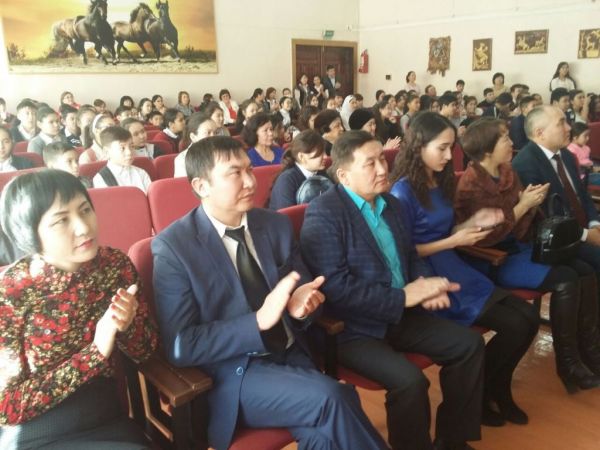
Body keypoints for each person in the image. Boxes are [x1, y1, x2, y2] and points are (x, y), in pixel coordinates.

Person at [151, 136, 387, 450]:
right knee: (334, 397)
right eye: (235, 173)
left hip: (292, 354)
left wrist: (301, 309)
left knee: (323, 436)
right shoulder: (174, 248)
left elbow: (305, 296)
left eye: (249, 169)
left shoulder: (275, 225)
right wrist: (258, 321)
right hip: (238, 372)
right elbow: (182, 345)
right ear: (201, 185)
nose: (251, 181)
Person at [300, 130, 485, 450]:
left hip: (400, 314)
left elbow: (411, 256)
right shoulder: (324, 213)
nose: (383, 169)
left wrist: (425, 285)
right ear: (343, 175)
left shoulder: (392, 205)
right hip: (352, 329)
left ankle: (451, 440)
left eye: (382, 160)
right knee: (410, 382)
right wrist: (402, 297)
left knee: (469, 344)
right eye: (370, 164)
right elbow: (336, 287)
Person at [389, 112, 538, 425]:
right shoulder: (402, 191)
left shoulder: (438, 180)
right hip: (429, 274)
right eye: (441, 148)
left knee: (528, 319)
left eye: (450, 148)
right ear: (418, 147)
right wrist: (453, 240)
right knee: (514, 325)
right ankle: (483, 395)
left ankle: (496, 390)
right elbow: (404, 251)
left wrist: (471, 223)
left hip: (454, 266)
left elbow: (446, 230)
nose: (449, 156)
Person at [0, 169, 157, 448]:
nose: (84, 227)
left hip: (105, 415)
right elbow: (6, 406)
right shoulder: (12, 291)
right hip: (36, 431)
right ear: (30, 234)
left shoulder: (114, 266)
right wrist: (94, 353)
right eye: (61, 220)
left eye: (85, 210)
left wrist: (128, 325)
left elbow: (144, 352)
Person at [457, 116, 600, 392]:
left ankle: (589, 351)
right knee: (566, 279)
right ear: (487, 149)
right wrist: (523, 206)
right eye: (504, 138)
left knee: (583, 271)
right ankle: (568, 363)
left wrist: (532, 203)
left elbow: (521, 225)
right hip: (492, 256)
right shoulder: (471, 183)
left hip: (519, 246)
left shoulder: (508, 172)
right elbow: (486, 236)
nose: (511, 142)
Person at [513, 106, 600, 304]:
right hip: (558, 238)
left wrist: (595, 224)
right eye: (561, 123)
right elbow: (545, 218)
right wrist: (587, 235)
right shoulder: (525, 164)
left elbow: (582, 195)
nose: (569, 128)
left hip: (583, 228)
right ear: (540, 133)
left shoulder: (566, 155)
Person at [269, 130, 329, 210]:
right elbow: (288, 214)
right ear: (301, 156)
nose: (326, 157)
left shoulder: (322, 174)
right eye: (320, 153)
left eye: (324, 152)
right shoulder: (287, 180)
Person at [92, 126, 152, 193]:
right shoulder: (101, 179)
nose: (129, 152)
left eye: (131, 146)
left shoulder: (141, 173)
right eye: (122, 148)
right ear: (107, 152)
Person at [173, 112, 218, 177]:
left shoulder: (222, 153)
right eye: (208, 133)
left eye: (216, 132)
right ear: (193, 137)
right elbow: (183, 183)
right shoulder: (182, 159)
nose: (214, 137)